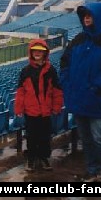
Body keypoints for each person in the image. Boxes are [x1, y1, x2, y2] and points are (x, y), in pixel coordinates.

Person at [60, 2, 101, 182]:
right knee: (87, 140)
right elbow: (64, 63)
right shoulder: (78, 40)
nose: (86, 18)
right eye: (84, 16)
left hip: (99, 101)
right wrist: (67, 84)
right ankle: (93, 170)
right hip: (79, 100)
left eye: (90, 15)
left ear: (98, 17)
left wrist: (96, 87)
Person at [14, 39, 63, 172]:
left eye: (40, 51)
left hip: (46, 111)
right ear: (31, 52)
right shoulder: (25, 71)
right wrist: (18, 107)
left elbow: (57, 90)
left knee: (44, 136)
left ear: (45, 53)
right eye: (35, 51)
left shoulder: (51, 70)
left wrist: (57, 106)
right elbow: (21, 92)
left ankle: (44, 157)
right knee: (31, 136)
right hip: (31, 111)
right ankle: (31, 159)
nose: (37, 53)